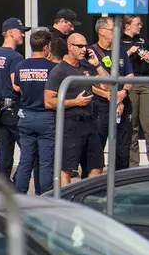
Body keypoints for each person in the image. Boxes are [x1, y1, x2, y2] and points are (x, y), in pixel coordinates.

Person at [44, 33, 107, 186]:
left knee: (96, 167)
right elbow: (48, 101)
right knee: (67, 169)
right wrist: (75, 102)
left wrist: (97, 65)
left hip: (90, 123)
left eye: (85, 45)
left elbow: (107, 85)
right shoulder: (59, 71)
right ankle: (67, 205)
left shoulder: (86, 66)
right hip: (70, 124)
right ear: (70, 47)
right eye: (80, 46)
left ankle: (87, 201)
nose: (84, 49)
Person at [11, 30, 56, 194]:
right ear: (46, 47)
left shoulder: (20, 66)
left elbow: (17, 87)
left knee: (25, 161)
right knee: (46, 162)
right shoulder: (53, 68)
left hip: (26, 116)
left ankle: (20, 196)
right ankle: (45, 196)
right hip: (46, 117)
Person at [88, 17, 134, 172]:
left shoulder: (120, 50)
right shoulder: (90, 53)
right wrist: (111, 96)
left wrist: (123, 92)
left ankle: (120, 186)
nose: (117, 33)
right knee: (97, 147)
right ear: (101, 32)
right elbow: (93, 84)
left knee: (122, 149)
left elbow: (130, 76)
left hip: (122, 104)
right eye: (112, 29)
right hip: (101, 107)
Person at [120, 14, 149, 167]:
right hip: (129, 84)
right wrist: (129, 52)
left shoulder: (144, 41)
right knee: (132, 126)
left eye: (141, 24)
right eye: (137, 24)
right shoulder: (120, 42)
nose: (140, 26)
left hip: (146, 83)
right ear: (127, 25)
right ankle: (133, 165)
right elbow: (115, 63)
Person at [0, 18, 30, 182]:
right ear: (10, 32)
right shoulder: (16, 57)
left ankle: (2, 192)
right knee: (29, 150)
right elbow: (17, 86)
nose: (23, 34)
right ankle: (18, 185)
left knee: (5, 152)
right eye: (20, 31)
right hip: (14, 110)